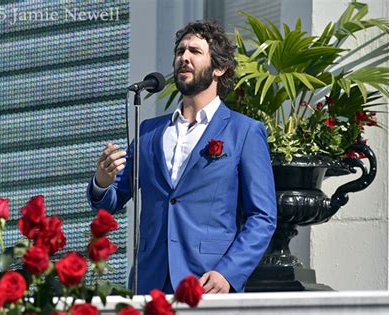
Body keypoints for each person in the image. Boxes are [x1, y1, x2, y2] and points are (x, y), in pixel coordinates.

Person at [87, 20, 276, 295]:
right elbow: (113, 201)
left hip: (209, 283)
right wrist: (102, 182)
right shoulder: (148, 132)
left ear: (219, 68)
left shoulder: (245, 132)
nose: (183, 58)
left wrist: (229, 272)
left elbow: (262, 216)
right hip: (150, 282)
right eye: (180, 51)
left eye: (195, 52)